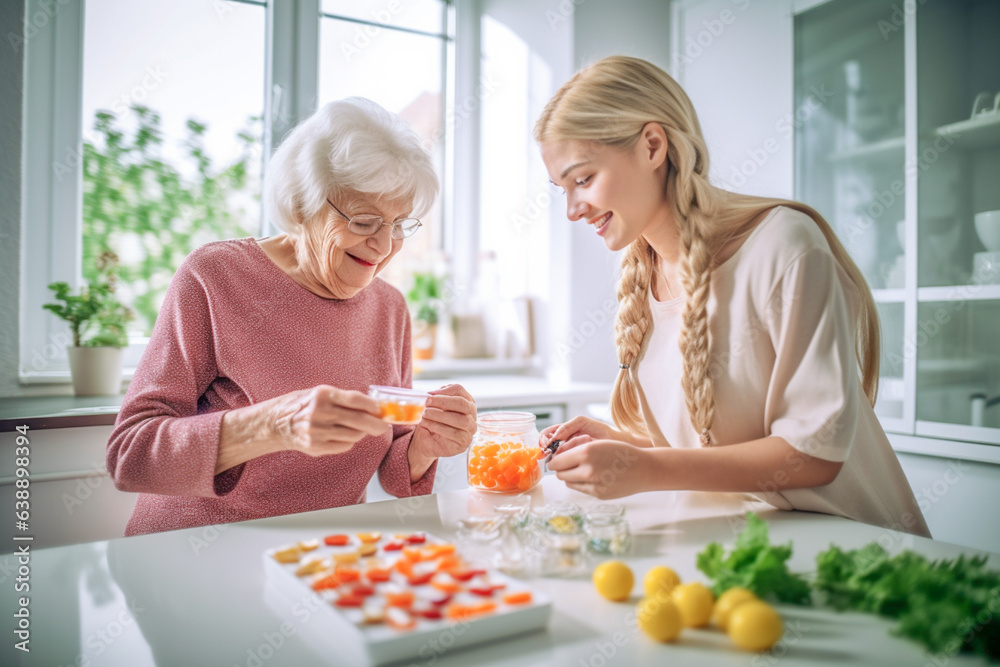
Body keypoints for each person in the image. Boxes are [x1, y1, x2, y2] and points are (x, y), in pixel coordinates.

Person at [536, 56, 929, 536]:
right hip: (752, 545)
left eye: (584, 179)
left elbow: (813, 453)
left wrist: (647, 470)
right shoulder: (643, 270)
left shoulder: (785, 245)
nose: (574, 210)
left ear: (653, 146)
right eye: (562, 189)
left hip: (858, 548)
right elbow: (713, 447)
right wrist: (629, 450)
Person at [107, 98, 476, 536]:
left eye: (399, 224)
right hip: (192, 553)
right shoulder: (215, 277)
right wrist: (273, 425)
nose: (384, 246)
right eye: (363, 221)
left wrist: (425, 446)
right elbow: (130, 455)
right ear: (303, 205)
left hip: (319, 560)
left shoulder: (390, 308)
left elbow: (393, 471)